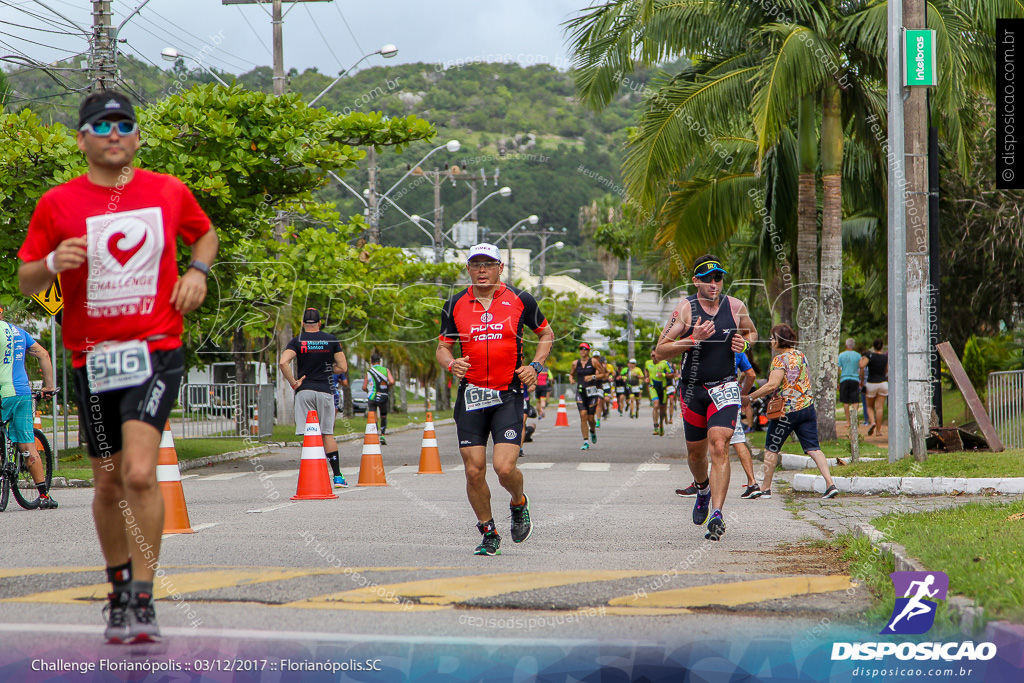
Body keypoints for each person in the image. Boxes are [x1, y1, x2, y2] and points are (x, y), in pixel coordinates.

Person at [18, 90, 219, 643]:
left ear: (136, 137)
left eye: (123, 124)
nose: (113, 133)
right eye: (101, 125)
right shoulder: (57, 203)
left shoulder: (166, 191)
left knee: (137, 473)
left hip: (156, 348)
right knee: (107, 483)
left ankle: (143, 596)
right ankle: (117, 587)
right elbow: (25, 280)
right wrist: (53, 262)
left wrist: (197, 270)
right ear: (82, 138)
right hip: (92, 358)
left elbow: (204, 232)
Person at [437, 243, 553, 556]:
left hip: (508, 394)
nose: (482, 270)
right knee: (473, 470)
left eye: (489, 264)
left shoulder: (520, 299)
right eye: (476, 264)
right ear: (468, 269)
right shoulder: (455, 304)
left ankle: (519, 503)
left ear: (501, 268)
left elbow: (546, 334)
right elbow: (442, 348)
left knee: (503, 468)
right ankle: (488, 531)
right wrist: (452, 363)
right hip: (472, 394)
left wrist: (536, 366)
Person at [655, 255, 756, 541]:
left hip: (724, 387)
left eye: (719, 278)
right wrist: (692, 339)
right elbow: (660, 350)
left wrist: (745, 342)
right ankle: (702, 488)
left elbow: (751, 330)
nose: (714, 283)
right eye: (708, 278)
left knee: (720, 444)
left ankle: (717, 513)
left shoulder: (735, 306)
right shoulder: (685, 310)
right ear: (696, 281)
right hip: (692, 390)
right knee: (696, 454)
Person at [746, 324, 839, 500]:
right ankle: (830, 484)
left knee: (771, 449)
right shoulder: (801, 356)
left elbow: (772, 385)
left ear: (781, 339)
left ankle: (765, 488)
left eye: (773, 337)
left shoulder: (780, 360)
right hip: (807, 409)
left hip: (786, 412)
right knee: (813, 448)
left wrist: (750, 397)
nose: (771, 341)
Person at [279, 307, 349, 487]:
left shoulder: (297, 341)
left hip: (305, 391)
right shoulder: (331, 340)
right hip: (325, 391)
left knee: (309, 435)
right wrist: (328, 369)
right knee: (327, 434)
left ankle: (311, 478)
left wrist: (294, 382)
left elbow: (283, 362)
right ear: (319, 323)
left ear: (302, 323)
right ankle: (338, 476)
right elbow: (342, 367)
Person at [676, 351, 759, 499]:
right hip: (725, 397)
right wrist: (741, 394)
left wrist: (742, 396)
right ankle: (700, 483)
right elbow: (750, 375)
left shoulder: (733, 345)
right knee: (715, 444)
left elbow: (751, 374)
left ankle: (752, 482)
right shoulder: (735, 347)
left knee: (730, 442)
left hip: (722, 397)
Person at [0, 305, 58, 508]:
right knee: (27, 443)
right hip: (21, 393)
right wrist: (48, 386)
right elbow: (43, 354)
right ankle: (43, 496)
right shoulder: (19, 332)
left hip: (2, 391)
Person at [570, 342, 606, 450]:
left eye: (585, 349)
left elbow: (603, 374)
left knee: (591, 418)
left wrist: (593, 376)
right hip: (580, 391)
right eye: (581, 348)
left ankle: (593, 431)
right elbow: (571, 374)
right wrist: (571, 379)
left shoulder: (594, 361)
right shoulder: (575, 363)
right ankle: (585, 441)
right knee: (583, 415)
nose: (583, 351)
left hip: (592, 392)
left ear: (588, 351)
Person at [362, 352, 394, 445]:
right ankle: (383, 435)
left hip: (372, 397)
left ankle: (375, 436)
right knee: (383, 416)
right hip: (383, 396)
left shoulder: (369, 372)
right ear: (379, 361)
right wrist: (386, 386)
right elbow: (392, 381)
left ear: (371, 361)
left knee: (373, 416)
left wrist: (369, 391)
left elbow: (364, 387)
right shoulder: (386, 370)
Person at [860, 338, 889, 436]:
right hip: (883, 383)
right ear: (882, 346)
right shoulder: (885, 357)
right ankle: (878, 431)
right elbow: (887, 370)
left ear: (873, 346)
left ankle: (872, 422)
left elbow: (861, 365)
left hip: (871, 383)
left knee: (869, 406)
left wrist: (863, 357)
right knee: (879, 408)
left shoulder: (870, 356)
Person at [837, 338, 863, 439]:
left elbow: (839, 369)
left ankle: (848, 421)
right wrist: (860, 379)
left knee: (845, 401)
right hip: (855, 379)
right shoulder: (857, 355)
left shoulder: (841, 355)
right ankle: (854, 420)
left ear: (846, 344)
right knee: (855, 400)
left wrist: (839, 379)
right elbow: (861, 368)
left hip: (844, 378)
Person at [645, 350, 671, 436]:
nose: (654, 357)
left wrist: (663, 375)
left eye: (655, 356)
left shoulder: (664, 363)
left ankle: (661, 424)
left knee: (662, 409)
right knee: (656, 405)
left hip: (663, 388)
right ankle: (655, 426)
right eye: (652, 355)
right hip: (653, 387)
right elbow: (646, 370)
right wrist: (647, 377)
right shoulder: (648, 363)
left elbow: (673, 374)